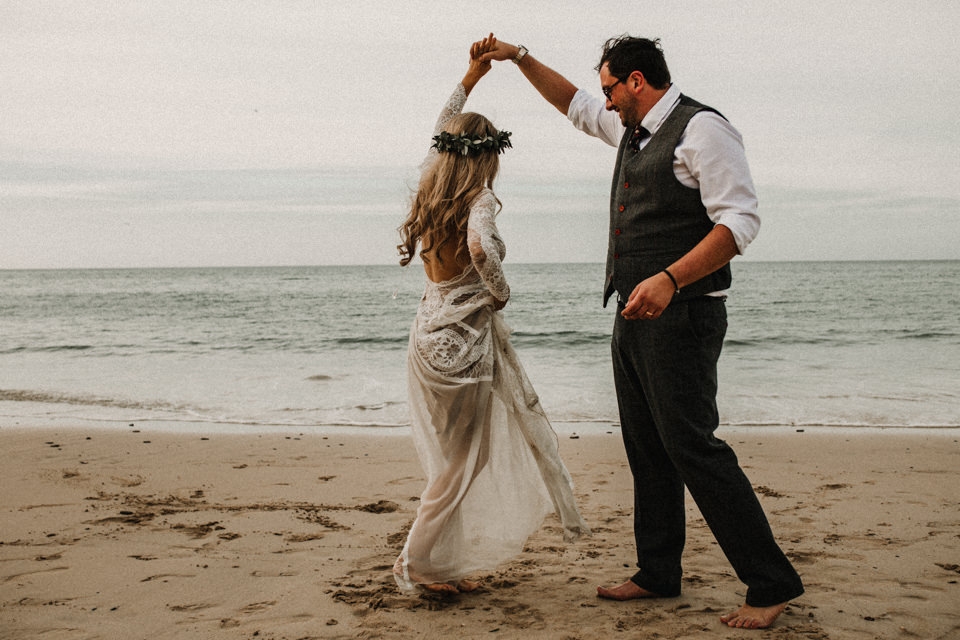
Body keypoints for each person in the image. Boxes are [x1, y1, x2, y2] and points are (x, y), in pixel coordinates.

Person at [477, 35, 804, 628]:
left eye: (611, 89)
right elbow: (573, 105)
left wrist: (671, 280)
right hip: (633, 312)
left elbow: (741, 220)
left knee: (694, 448)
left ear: (636, 81)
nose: (604, 102)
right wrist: (520, 58)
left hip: (684, 313)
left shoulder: (703, 129)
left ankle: (771, 582)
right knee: (647, 449)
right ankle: (658, 572)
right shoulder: (631, 127)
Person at [393, 36, 590, 595]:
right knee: (461, 465)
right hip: (463, 350)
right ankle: (413, 564)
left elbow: (444, 121)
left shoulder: (434, 182)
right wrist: (499, 292)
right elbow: (480, 250)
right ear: (487, 155)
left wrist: (473, 73)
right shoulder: (476, 199)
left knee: (454, 462)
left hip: (427, 340)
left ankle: (428, 564)